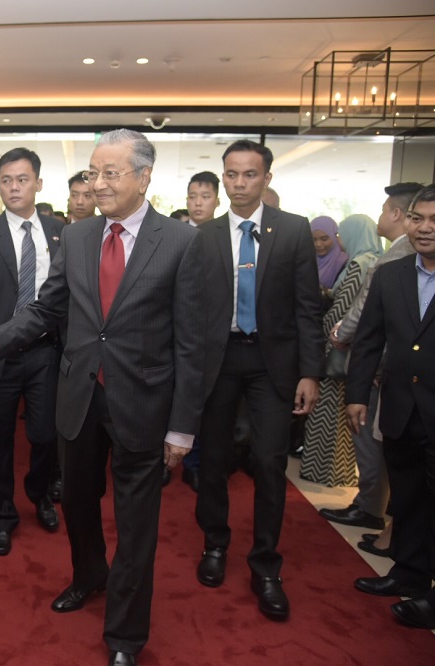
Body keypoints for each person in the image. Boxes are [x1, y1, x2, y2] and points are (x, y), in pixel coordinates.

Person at [0, 129, 204, 666]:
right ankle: (89, 575)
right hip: (80, 394)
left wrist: (182, 427)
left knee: (137, 523)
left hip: (144, 402)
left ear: (144, 176)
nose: (96, 183)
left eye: (110, 173)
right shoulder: (75, 236)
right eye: (94, 173)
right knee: (76, 501)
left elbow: (194, 343)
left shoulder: (183, 242)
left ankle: (124, 635)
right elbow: (47, 310)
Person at [194, 140, 324, 622]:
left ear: (266, 178)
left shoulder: (293, 231)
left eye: (250, 174)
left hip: (275, 363)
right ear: (222, 178)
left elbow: (307, 307)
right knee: (214, 461)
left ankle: (266, 566)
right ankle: (214, 543)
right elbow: (192, 311)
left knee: (270, 464)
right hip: (220, 360)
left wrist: (310, 371)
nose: (240, 183)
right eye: (232, 174)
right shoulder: (203, 237)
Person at [0, 147, 64, 557]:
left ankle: (40, 495)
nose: (14, 187)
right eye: (6, 180)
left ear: (38, 183)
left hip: (46, 352)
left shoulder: (61, 232)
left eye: (22, 179)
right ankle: (2, 515)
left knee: (43, 434)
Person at [346, 184, 435, 630]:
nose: (425, 228)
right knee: (409, 499)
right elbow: (369, 340)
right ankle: (408, 576)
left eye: (434, 220)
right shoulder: (392, 273)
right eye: (418, 218)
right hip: (400, 408)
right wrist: (357, 395)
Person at [322, 182, 424, 547]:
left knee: (378, 444)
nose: (423, 227)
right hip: (390, 368)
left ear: (396, 214)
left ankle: (375, 512)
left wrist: (338, 333)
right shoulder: (398, 257)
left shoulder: (392, 258)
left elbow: (364, 315)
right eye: (419, 218)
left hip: (389, 371)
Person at [300, 214, 383, 487]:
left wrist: (318, 334)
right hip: (357, 351)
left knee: (328, 415)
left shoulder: (359, 265)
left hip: (337, 348)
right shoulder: (375, 260)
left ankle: (324, 472)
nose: (337, 240)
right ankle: (343, 473)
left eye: (339, 234)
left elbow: (343, 310)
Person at [178, 170, 221, 492]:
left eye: (204, 197)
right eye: (193, 196)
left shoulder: (224, 239)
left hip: (214, 339)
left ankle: (197, 464)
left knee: (207, 408)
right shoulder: (175, 236)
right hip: (177, 337)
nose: (197, 203)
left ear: (217, 201)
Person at [310, 216, 347, 306]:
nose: (318, 244)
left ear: (334, 237)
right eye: (314, 239)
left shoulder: (344, 262)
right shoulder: (307, 260)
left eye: (324, 239)